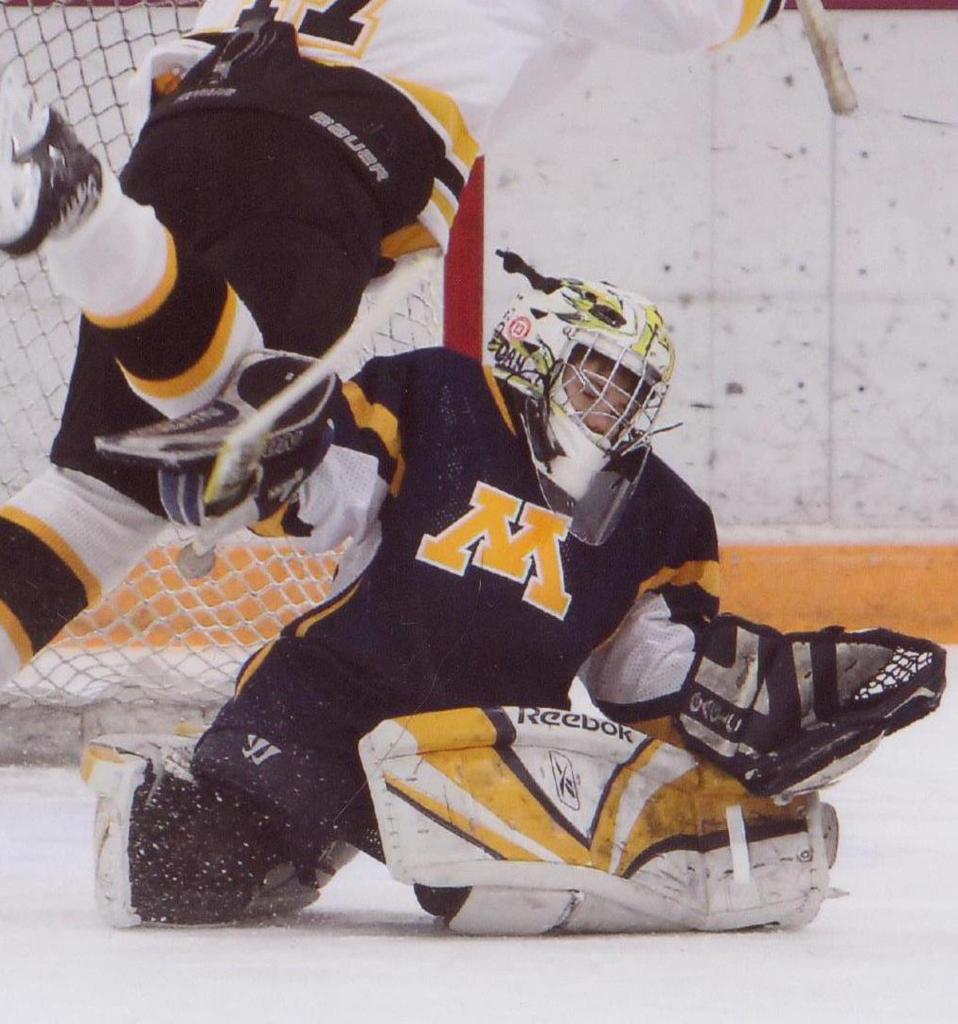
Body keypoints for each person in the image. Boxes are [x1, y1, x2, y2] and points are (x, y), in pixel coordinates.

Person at [78, 253, 944, 933]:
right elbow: (330, 490)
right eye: (598, 376)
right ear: (537, 345)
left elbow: (640, 675)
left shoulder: (661, 515)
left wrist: (765, 690)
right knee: (177, 865)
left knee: (494, 907)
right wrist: (269, 467)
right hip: (331, 694)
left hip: (486, 746)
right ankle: (298, 840)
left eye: (632, 393)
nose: (613, 408)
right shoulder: (439, 395)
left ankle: (673, 853)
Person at [0, 0, 784, 682]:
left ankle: (94, 224)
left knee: (100, 498)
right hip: (338, 150)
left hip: (184, 124)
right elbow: (696, 15)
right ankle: (83, 215)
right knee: (241, 428)